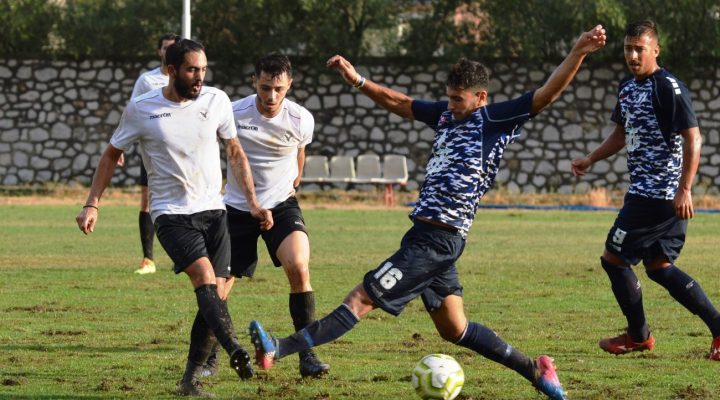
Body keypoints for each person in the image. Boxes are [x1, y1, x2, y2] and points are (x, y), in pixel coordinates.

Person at [248, 25, 607, 400]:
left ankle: (279, 347)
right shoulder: (447, 116)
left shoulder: (494, 120)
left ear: (480, 97)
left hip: (439, 241)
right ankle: (536, 370)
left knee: (362, 298)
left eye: (458, 99)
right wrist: (358, 80)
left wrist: (579, 51)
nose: (450, 105)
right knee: (455, 329)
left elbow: (546, 94)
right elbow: (400, 102)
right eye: (448, 98)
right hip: (425, 236)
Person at [75, 38, 274, 397]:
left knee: (217, 293)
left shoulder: (216, 101)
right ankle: (235, 350)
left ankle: (189, 380)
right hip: (171, 214)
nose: (199, 77)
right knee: (204, 279)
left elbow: (235, 151)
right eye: (191, 70)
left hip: (215, 211)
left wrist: (254, 202)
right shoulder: (142, 108)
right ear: (171, 71)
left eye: (203, 69)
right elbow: (110, 155)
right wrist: (92, 204)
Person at [571, 20, 720, 361]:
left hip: (656, 195)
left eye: (640, 48)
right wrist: (591, 158)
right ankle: (718, 328)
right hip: (649, 193)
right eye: (628, 49)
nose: (633, 55)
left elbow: (693, 137)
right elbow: (622, 135)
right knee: (659, 267)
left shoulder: (668, 87)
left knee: (613, 258)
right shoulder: (627, 88)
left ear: (656, 50)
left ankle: (639, 336)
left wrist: (685, 189)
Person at [198, 53, 329, 379]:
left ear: (290, 86)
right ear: (254, 82)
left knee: (299, 266)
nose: (271, 97)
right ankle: (211, 356)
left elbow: (300, 152)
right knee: (217, 288)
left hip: (282, 207)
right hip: (236, 210)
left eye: (279, 89)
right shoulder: (234, 113)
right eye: (265, 88)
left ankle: (307, 354)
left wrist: (295, 179)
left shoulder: (301, 119)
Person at [128, 32, 181, 275]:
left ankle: (183, 256)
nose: (168, 51)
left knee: (184, 202)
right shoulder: (147, 81)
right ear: (160, 51)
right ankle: (148, 259)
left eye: (174, 47)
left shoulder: (186, 80)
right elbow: (133, 113)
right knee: (147, 201)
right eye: (165, 47)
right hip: (152, 152)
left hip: (181, 153)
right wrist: (122, 146)